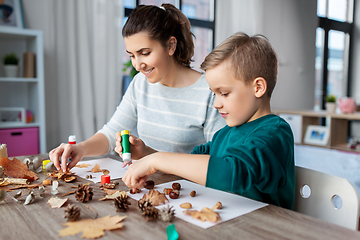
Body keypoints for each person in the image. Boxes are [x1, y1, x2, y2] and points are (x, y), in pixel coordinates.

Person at [121, 32, 295, 210]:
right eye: (214, 94)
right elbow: (190, 165)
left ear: (258, 88)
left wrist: (156, 160)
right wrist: (146, 154)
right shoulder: (225, 133)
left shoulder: (275, 132)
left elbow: (233, 173)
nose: (216, 104)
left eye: (224, 93)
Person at [49, 3, 225, 171]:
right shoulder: (140, 84)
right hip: (149, 187)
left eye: (145, 53)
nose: (137, 64)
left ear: (171, 46)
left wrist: (150, 156)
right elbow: (111, 134)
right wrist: (81, 149)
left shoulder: (208, 91)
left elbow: (216, 162)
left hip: (193, 194)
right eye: (132, 55)